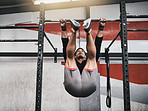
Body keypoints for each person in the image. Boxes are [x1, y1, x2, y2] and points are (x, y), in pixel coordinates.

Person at [60, 18, 106, 97]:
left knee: (70, 57)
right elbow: (65, 44)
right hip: (76, 86)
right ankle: (87, 31)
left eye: (82, 51)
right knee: (91, 58)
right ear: (75, 55)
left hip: (82, 86)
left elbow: (98, 44)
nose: (80, 51)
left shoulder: (75, 58)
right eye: (78, 51)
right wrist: (101, 26)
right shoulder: (88, 58)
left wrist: (63, 26)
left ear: (85, 55)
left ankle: (75, 30)